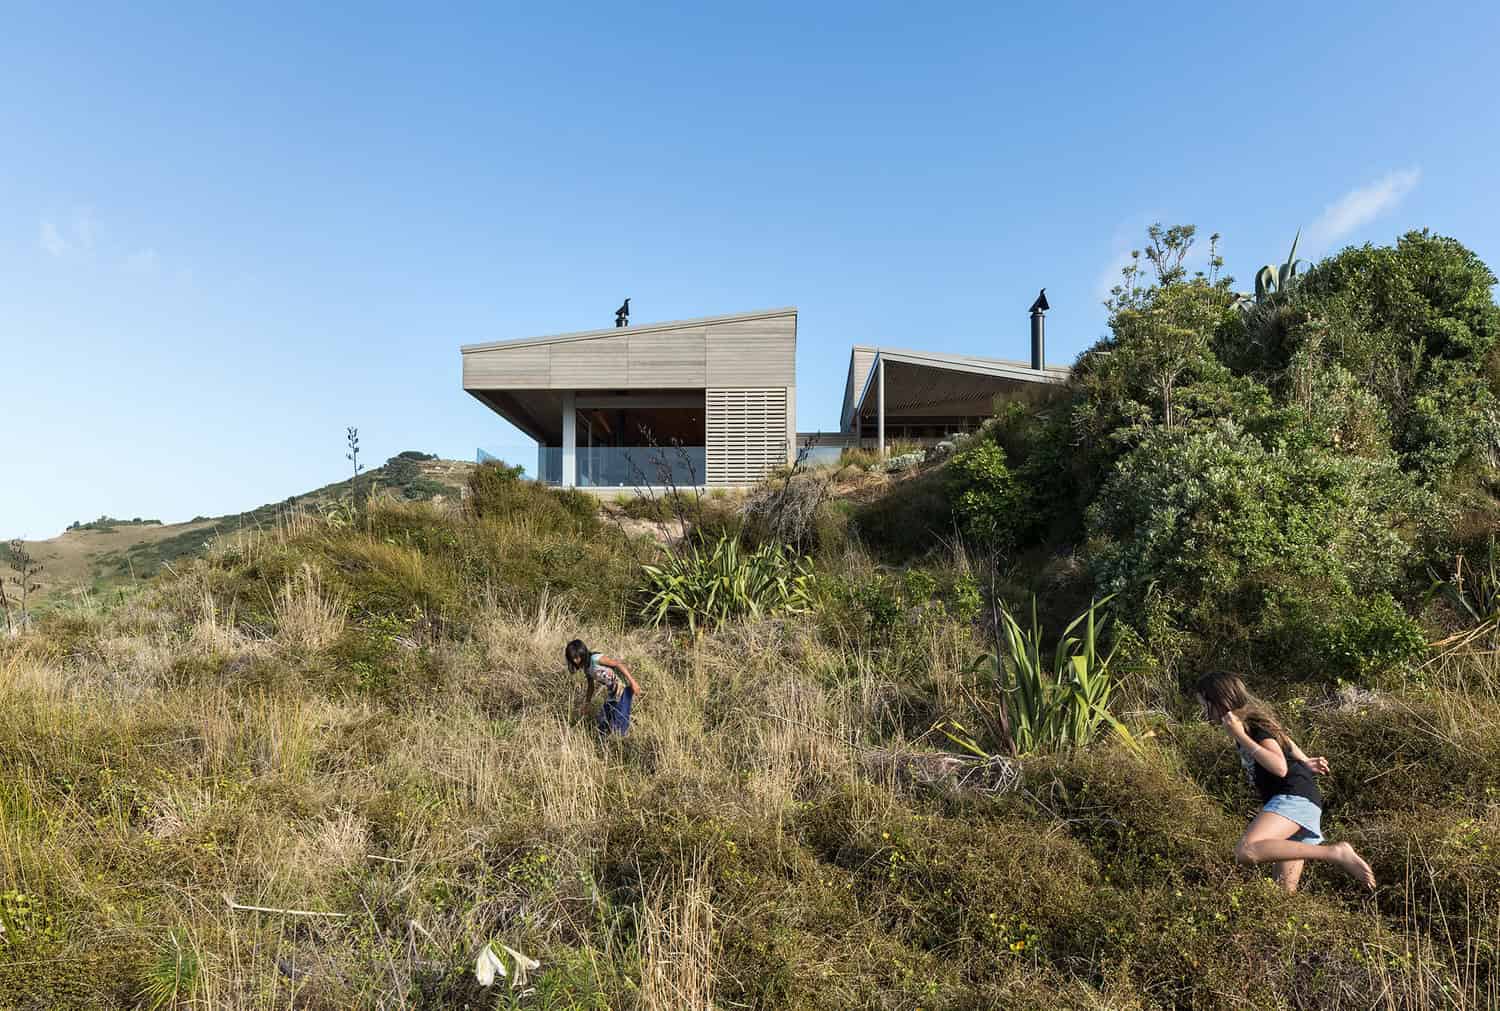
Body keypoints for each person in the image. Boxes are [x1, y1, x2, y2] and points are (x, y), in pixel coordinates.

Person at [1195, 671, 1375, 894]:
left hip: (1292, 797)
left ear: (1219, 701)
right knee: (1283, 892)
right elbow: (1286, 742)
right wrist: (1304, 761)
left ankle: (1336, 853)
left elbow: (1279, 767)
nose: (1204, 712)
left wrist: (1241, 736)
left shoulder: (1250, 725)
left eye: (1205, 704)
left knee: (1246, 851)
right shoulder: (1255, 721)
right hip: (1301, 800)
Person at [566, 638, 640, 736]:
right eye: (572, 659)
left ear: (582, 652)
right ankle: (606, 743)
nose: (575, 661)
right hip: (613, 692)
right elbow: (590, 687)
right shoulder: (587, 669)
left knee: (619, 721)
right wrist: (587, 704)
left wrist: (633, 682)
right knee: (603, 720)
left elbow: (618, 664)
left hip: (623, 688)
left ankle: (621, 743)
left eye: (576, 657)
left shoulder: (596, 659)